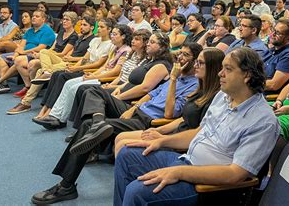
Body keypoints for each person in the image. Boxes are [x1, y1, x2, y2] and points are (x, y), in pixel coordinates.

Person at [29, 45, 200, 205]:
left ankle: (66, 185)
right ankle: (98, 123)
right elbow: (150, 94)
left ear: (195, 61)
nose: (180, 58)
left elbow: (170, 113)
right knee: (93, 90)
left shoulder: (192, 84)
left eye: (186, 55)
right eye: (180, 54)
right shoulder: (177, 76)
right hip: (137, 110)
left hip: (148, 121)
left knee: (86, 125)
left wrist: (173, 79)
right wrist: (133, 107)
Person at [111, 47, 280, 206]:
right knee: (127, 155)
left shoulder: (263, 120)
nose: (220, 74)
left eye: (228, 69)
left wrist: (179, 172)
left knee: (137, 192)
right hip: (187, 160)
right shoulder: (222, 96)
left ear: (247, 75)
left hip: (208, 186)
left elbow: (235, 174)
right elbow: (200, 132)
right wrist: (162, 141)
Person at [114, 47, 225, 156]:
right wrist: (159, 130)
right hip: (165, 126)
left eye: (200, 63)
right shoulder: (201, 90)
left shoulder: (213, 96)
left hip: (179, 140)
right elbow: (183, 119)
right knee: (120, 137)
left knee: (123, 145)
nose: (195, 66)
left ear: (212, 67)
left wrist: (173, 79)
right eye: (196, 62)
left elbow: (175, 117)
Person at [32, 24, 132, 127]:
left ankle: (60, 120)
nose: (112, 36)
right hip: (99, 74)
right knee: (68, 84)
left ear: (123, 36)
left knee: (74, 87)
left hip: (105, 79)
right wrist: (93, 74)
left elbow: (115, 72)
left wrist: (94, 77)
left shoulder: (126, 51)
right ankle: (54, 115)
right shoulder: (115, 48)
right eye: (112, 34)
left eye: (115, 34)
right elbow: (104, 67)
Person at [6, 16, 96, 115]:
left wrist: (71, 59)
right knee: (44, 52)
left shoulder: (93, 40)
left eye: (85, 25)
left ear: (92, 27)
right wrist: (68, 56)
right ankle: (47, 72)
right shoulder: (80, 37)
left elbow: (87, 59)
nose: (82, 27)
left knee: (40, 71)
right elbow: (71, 51)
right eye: (81, 25)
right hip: (65, 60)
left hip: (74, 64)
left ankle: (25, 103)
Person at [0, 10, 56, 95]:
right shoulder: (29, 31)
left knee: (18, 60)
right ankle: (4, 84)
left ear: (43, 19)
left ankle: (27, 86)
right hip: (24, 53)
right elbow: (21, 45)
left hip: (36, 55)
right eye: (33, 16)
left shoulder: (47, 31)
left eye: (37, 16)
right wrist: (16, 54)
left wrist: (22, 52)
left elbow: (40, 48)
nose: (34, 18)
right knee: (2, 57)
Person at [264, 18, 289, 93]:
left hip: (268, 98)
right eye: (273, 30)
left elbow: (273, 85)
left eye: (277, 33)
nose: (272, 34)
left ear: (288, 38)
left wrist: (248, 84)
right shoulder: (271, 50)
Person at [0, 5, 19, 79]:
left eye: (5, 13)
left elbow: (8, 38)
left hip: (10, 48)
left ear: (10, 14)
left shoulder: (14, 26)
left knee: (5, 43)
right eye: (1, 13)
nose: (2, 14)